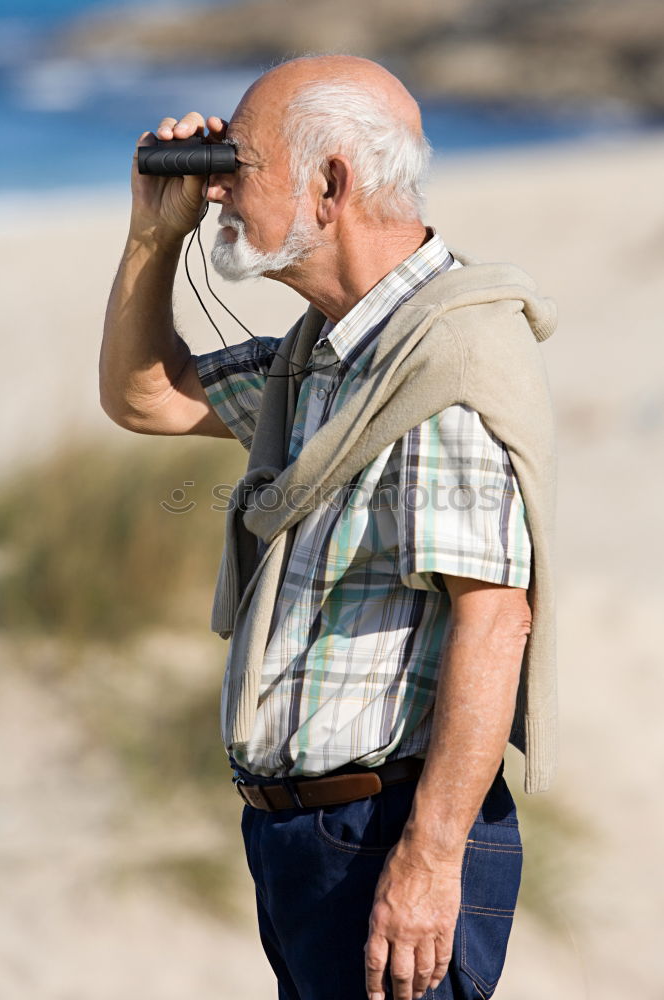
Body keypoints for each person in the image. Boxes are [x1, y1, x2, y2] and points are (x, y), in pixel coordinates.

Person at [100, 55, 557, 1000]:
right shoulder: (327, 356)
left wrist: (429, 864)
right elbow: (144, 398)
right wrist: (154, 233)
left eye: (241, 162)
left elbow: (492, 618)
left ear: (331, 183)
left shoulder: (443, 361)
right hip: (305, 841)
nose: (217, 184)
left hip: (385, 836)